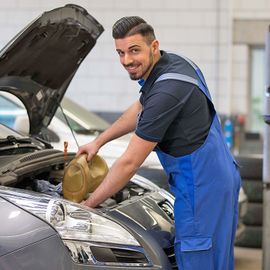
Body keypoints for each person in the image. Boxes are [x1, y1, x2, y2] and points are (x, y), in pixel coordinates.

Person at [77, 16, 241, 270]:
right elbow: (141, 107)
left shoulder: (167, 91)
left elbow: (130, 163)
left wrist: (88, 205)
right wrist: (98, 142)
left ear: (154, 46)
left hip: (201, 188)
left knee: (199, 259)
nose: (126, 60)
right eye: (120, 52)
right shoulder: (174, 64)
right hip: (218, 176)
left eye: (134, 50)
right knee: (216, 258)